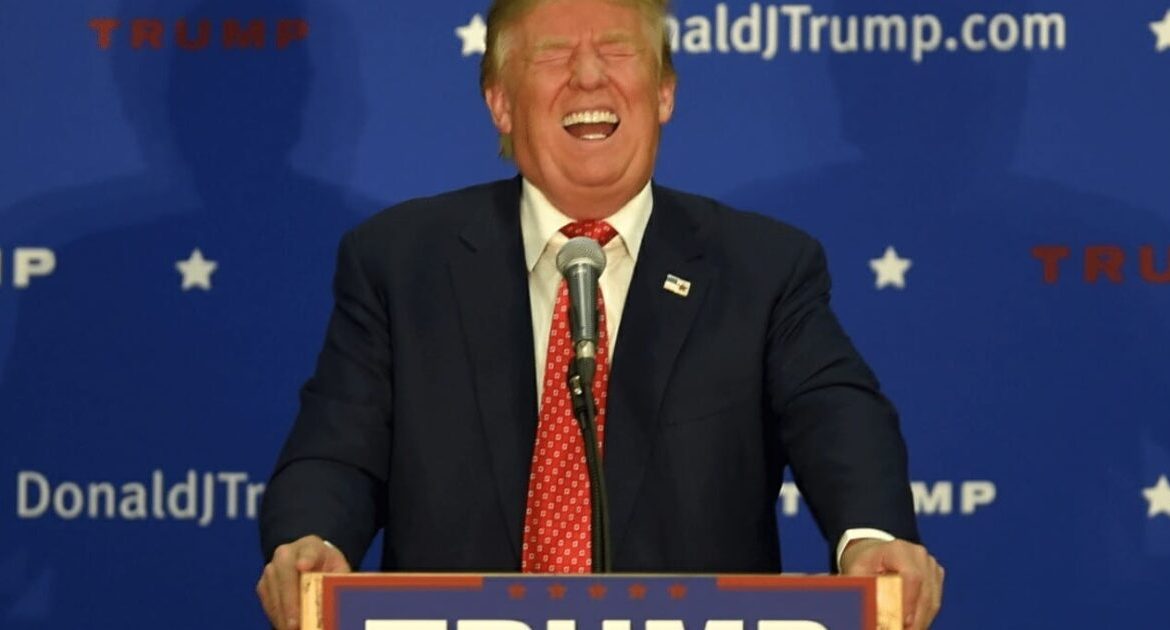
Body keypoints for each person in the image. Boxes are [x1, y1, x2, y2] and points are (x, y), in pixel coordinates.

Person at [256, 0, 944, 628]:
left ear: (664, 92)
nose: (589, 76)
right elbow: (335, 454)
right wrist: (314, 541)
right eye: (553, 54)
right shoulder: (400, 263)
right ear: (501, 103)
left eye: (617, 50)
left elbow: (837, 415)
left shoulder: (763, 269)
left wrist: (871, 539)